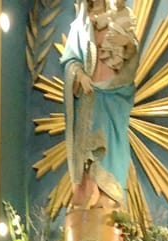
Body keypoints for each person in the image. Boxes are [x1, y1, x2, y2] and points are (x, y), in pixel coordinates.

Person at [60, 0, 140, 210]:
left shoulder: (119, 17)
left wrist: (127, 43)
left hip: (114, 94)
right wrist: (80, 75)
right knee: (87, 142)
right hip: (88, 95)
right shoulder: (79, 26)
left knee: (112, 139)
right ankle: (89, 192)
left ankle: (109, 195)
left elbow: (131, 53)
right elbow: (69, 61)